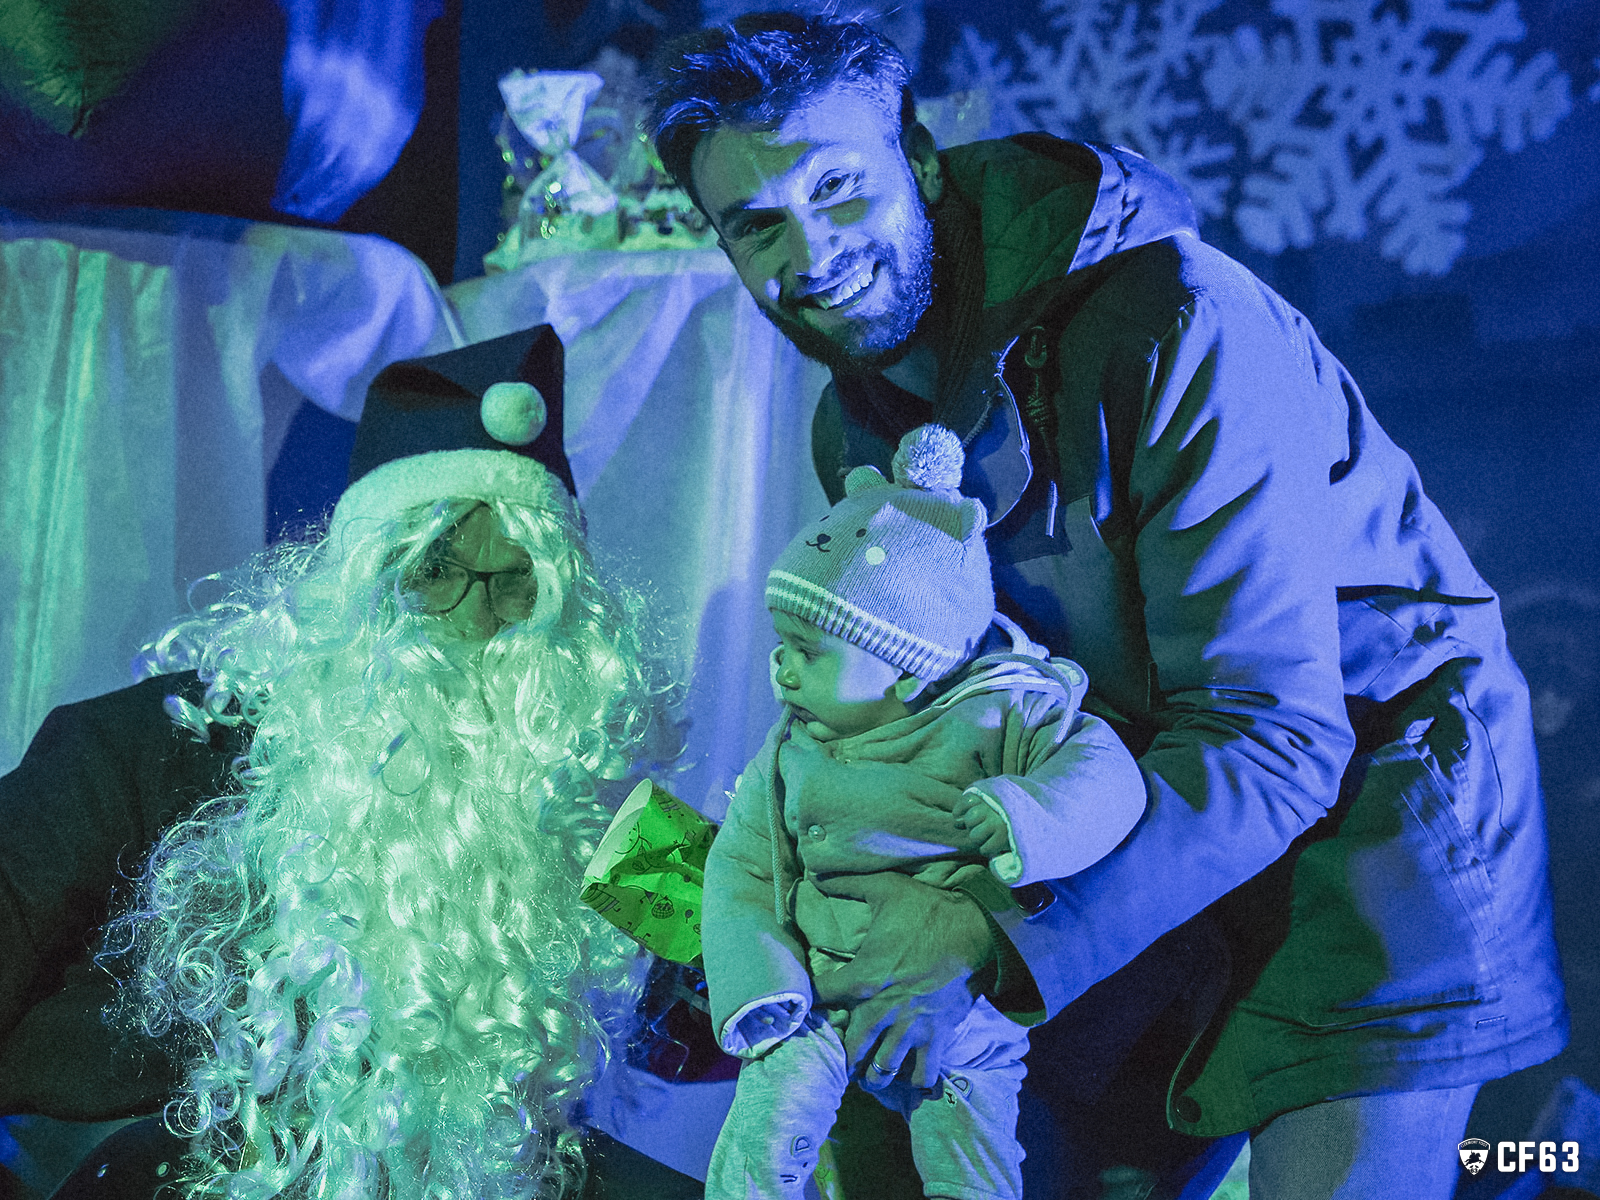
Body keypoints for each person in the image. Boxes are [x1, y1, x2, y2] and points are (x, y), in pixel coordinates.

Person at [646, 14, 1569, 1198]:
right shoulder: (858, 424)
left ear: (919, 162)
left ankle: (1534, 1156)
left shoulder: (1175, 324)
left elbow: (1276, 733)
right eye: (756, 224)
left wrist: (984, 931)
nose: (812, 254)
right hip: (1139, 825)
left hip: (1370, 830)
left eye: (838, 188)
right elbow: (959, 705)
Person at [0, 327, 698, 1200]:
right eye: (433, 571)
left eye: (516, 581)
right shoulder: (146, 744)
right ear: (354, 583)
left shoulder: (582, 795)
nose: (476, 623)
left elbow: (732, 996)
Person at [702, 425, 1145, 1200]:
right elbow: (737, 867)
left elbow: (1111, 777)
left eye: (810, 650)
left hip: (960, 1013)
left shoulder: (1002, 715)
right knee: (762, 1136)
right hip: (812, 996)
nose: (782, 665)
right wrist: (762, 983)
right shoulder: (789, 751)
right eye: (782, 641)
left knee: (970, 1163)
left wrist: (1028, 818)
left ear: (906, 673)